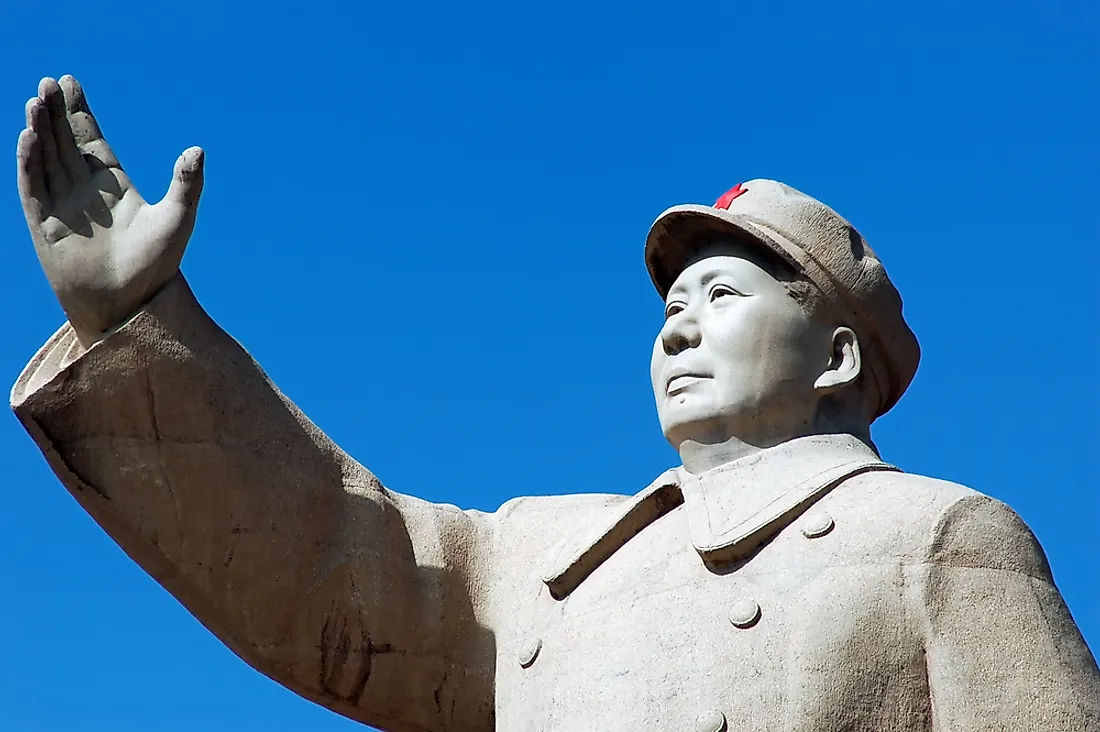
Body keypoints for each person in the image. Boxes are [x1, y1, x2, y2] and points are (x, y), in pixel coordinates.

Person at [12, 75, 1099, 732]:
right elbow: (322, 556)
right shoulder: (539, 558)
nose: (674, 326)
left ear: (835, 357)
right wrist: (139, 320)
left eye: (721, 295)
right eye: (669, 304)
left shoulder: (938, 539)